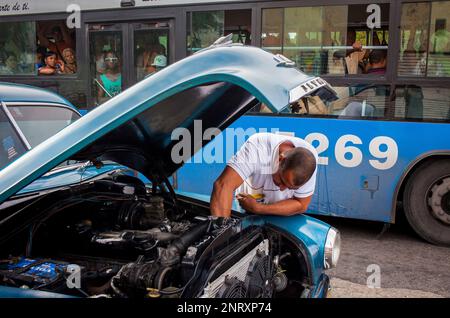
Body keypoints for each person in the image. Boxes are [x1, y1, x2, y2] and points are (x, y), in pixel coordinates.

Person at [210, 132, 318, 217]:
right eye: (282, 181)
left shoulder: (308, 161)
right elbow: (223, 186)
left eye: (290, 188)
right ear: (280, 159)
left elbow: (301, 204)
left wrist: (259, 208)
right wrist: (222, 234)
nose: (282, 189)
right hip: (243, 208)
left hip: (280, 214)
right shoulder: (257, 147)